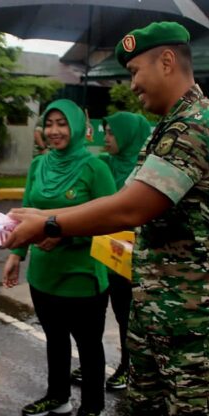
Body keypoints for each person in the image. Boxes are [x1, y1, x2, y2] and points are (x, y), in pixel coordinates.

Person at [4, 22, 209, 416]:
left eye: (136, 71)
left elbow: (133, 207)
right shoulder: (166, 126)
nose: (132, 84)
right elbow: (125, 203)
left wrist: (48, 222)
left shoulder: (196, 123)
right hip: (158, 311)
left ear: (167, 61)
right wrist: (45, 215)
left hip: (194, 320)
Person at [2, 99, 116, 416]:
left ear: (78, 128)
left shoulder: (96, 168)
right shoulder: (39, 165)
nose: (54, 131)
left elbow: (112, 223)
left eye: (62, 123)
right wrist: (16, 254)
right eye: (49, 123)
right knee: (54, 338)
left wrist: (63, 233)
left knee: (89, 345)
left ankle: (93, 408)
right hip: (43, 274)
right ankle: (58, 396)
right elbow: (25, 212)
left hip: (82, 275)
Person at [71, 111, 151, 391]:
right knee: (97, 315)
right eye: (105, 131)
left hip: (131, 257)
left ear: (129, 137)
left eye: (112, 133)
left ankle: (129, 366)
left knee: (127, 314)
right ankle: (92, 363)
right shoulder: (104, 163)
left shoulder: (145, 172)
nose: (107, 137)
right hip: (103, 253)